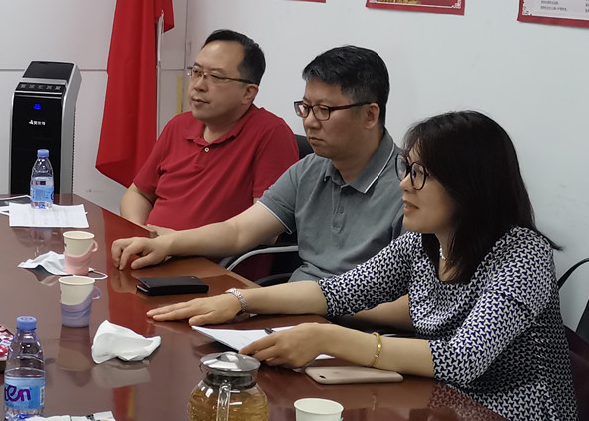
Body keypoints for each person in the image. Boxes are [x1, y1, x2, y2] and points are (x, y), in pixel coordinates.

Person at [150, 110, 579, 421]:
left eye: (419, 174)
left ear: (468, 186)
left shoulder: (522, 254)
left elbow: (462, 359)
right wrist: (242, 300)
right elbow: (339, 291)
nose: (404, 185)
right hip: (437, 405)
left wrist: (330, 338)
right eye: (405, 169)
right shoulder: (425, 242)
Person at [112, 45, 401, 282]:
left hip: (349, 325)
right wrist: (165, 243)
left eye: (324, 110)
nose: (310, 122)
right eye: (306, 108)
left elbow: (413, 305)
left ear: (370, 115)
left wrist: (309, 301)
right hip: (294, 310)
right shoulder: (310, 170)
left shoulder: (409, 185)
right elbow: (238, 231)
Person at [119, 29, 299, 232]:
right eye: (196, 73)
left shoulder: (270, 133)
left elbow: (265, 228)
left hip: (208, 253)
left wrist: (174, 242)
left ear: (248, 93)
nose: (198, 85)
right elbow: (138, 194)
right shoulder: (178, 125)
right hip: (151, 247)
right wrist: (140, 232)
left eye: (215, 77)